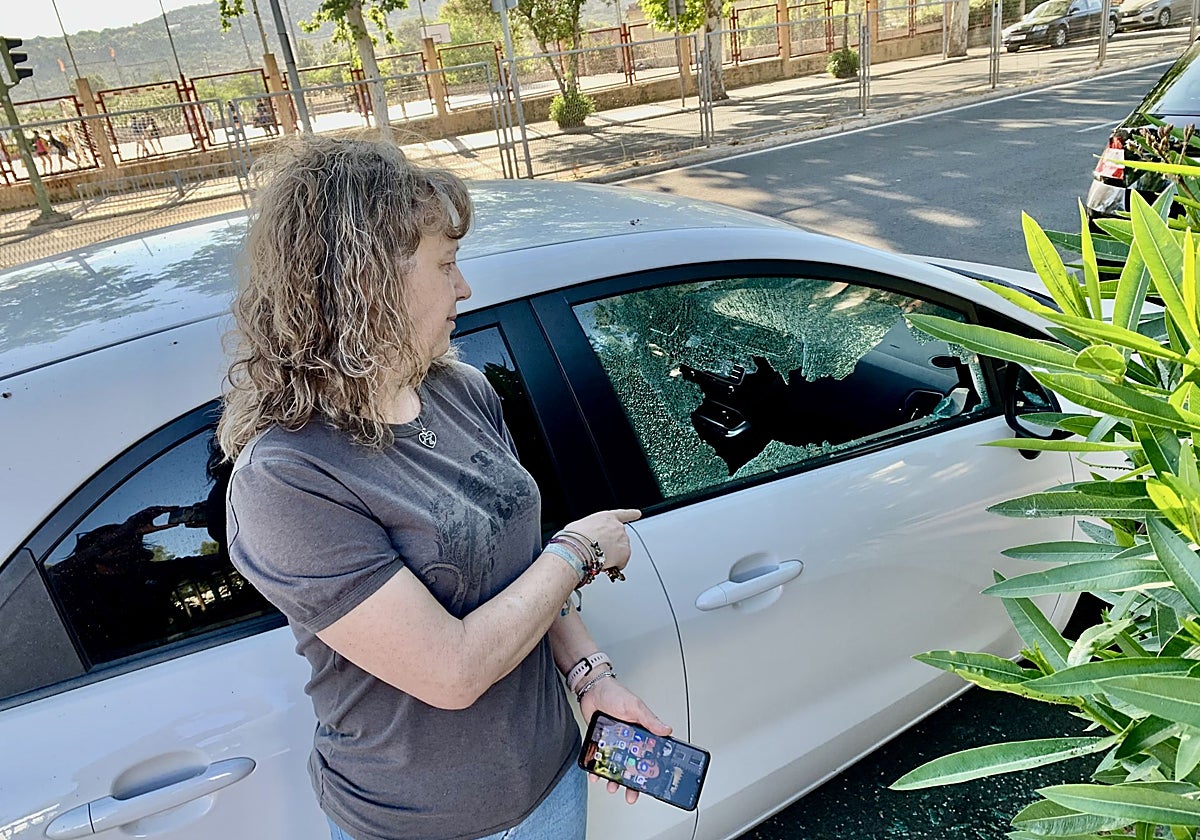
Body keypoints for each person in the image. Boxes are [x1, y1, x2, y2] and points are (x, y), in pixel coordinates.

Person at [217, 135, 670, 840]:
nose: (465, 288)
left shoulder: (460, 390)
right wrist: (579, 550)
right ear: (368, 281)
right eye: (446, 264)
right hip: (422, 825)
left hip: (552, 780)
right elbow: (451, 672)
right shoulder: (288, 478)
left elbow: (519, 570)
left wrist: (591, 676)